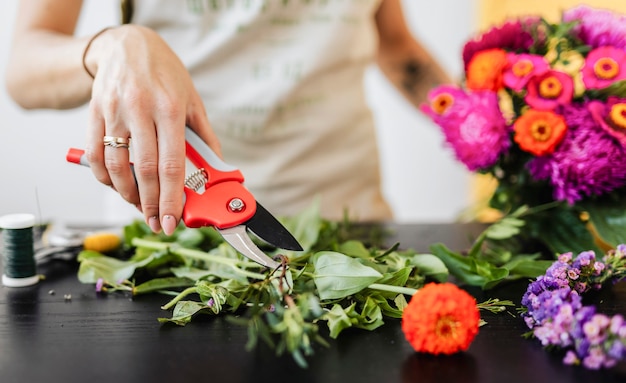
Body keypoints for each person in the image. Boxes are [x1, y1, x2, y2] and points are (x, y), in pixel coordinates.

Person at [5, 0, 451, 235]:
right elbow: (22, 71)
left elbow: (395, 45)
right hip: (171, 228)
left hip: (348, 221)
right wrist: (106, 48)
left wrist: (484, 124)